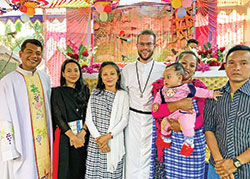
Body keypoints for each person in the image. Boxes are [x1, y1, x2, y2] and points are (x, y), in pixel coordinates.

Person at [0, 39, 53, 179]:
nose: (34, 56)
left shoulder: (45, 78)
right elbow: (3, 116)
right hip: (22, 142)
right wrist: (9, 148)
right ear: (21, 53)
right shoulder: (7, 82)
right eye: (29, 52)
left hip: (44, 141)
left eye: (38, 53)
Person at [150, 51, 208, 179]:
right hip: (170, 142)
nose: (187, 68)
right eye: (183, 63)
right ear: (176, 64)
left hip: (194, 142)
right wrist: (179, 104)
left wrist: (180, 126)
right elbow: (156, 112)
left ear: (195, 69)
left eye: (192, 65)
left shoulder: (199, 88)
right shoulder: (164, 86)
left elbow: (202, 119)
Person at [121, 29, 166, 179]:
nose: (145, 48)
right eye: (142, 44)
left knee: (149, 159)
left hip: (153, 121)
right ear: (136, 45)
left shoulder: (163, 70)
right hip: (132, 119)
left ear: (155, 45)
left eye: (149, 44)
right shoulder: (127, 70)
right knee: (131, 156)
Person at [152, 63, 222, 156]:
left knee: (186, 124)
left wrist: (211, 94)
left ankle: (189, 141)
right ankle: (166, 138)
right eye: (164, 77)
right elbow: (158, 96)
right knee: (165, 123)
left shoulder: (185, 87)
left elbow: (199, 92)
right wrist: (156, 103)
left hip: (185, 113)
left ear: (179, 78)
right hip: (172, 114)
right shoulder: (163, 89)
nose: (165, 80)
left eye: (168, 77)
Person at [204, 45, 250, 179]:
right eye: (231, 63)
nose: (237, 68)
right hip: (217, 169)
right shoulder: (214, 96)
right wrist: (220, 164)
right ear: (225, 66)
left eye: (243, 63)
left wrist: (235, 163)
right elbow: (209, 129)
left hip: (246, 169)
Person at [85, 61, 129, 179]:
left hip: (114, 141)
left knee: (112, 175)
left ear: (118, 76)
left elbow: (124, 120)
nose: (109, 77)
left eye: (112, 73)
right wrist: (100, 139)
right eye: (105, 74)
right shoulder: (95, 94)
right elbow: (89, 120)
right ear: (101, 77)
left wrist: (107, 137)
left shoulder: (123, 95)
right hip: (96, 143)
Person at [51, 59, 90, 179]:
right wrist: (73, 137)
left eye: (76, 70)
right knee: (66, 170)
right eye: (68, 71)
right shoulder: (57, 92)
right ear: (63, 73)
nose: (73, 74)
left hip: (83, 136)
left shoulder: (85, 90)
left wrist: (82, 134)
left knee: (81, 169)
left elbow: (89, 113)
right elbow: (58, 117)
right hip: (66, 137)